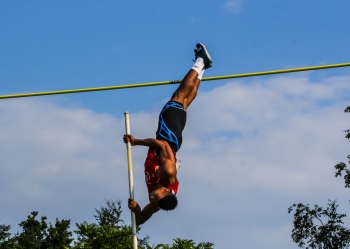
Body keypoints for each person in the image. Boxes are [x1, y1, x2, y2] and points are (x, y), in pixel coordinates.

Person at [123, 43, 212, 225]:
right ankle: (200, 61)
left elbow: (141, 219)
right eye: (156, 197)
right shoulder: (167, 173)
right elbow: (161, 145)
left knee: (184, 102)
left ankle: (203, 68)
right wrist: (136, 142)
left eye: (153, 200)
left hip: (174, 138)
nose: (152, 198)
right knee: (178, 96)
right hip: (168, 136)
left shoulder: (157, 203)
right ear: (166, 191)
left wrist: (138, 210)